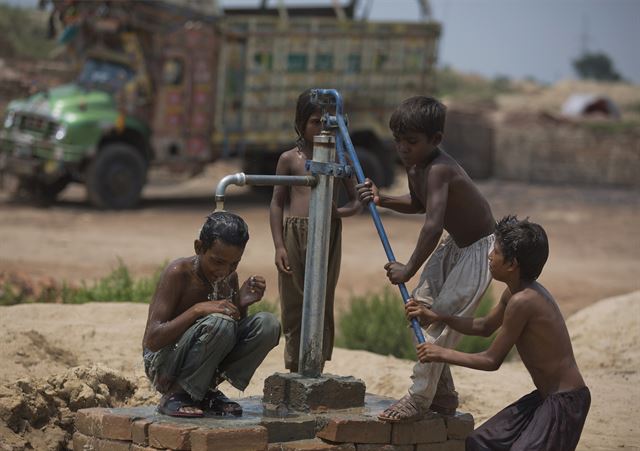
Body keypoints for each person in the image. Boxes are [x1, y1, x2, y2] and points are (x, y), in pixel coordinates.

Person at [356, 95, 496, 422]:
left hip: (478, 250)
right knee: (419, 309)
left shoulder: (440, 169)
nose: (403, 148)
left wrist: (407, 269)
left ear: (436, 140)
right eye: (398, 141)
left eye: (411, 142)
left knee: (439, 321)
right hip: (455, 245)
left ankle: (418, 399)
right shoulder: (416, 163)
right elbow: (419, 203)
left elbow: (432, 226)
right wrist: (383, 198)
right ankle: (443, 394)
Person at [408, 216, 590, 451]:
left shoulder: (524, 302)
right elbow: (484, 327)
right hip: (544, 398)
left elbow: (491, 360)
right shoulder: (514, 293)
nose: (489, 256)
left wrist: (440, 353)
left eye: (495, 251)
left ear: (512, 264)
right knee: (480, 442)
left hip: (565, 402)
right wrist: (438, 316)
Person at [142, 211, 281, 417]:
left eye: (234, 263)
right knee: (219, 322)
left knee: (267, 324)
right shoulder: (178, 273)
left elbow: (228, 337)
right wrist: (197, 310)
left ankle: (206, 390)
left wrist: (241, 304)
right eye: (217, 262)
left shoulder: (228, 277)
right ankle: (176, 394)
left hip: (203, 362)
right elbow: (152, 341)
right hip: (163, 364)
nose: (224, 270)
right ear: (199, 248)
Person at [269, 88, 361, 373]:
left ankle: (316, 363)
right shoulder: (289, 159)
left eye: (328, 122)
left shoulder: (340, 159)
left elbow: (358, 199)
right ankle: (294, 365)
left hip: (327, 234)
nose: (322, 127)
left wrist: (339, 213)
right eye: (315, 122)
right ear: (300, 123)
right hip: (295, 233)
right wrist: (279, 246)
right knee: (294, 298)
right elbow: (276, 203)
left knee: (321, 298)